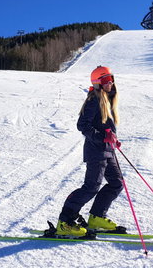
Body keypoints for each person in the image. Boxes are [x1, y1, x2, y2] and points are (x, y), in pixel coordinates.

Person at [56, 66, 123, 237]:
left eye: (111, 79)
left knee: (117, 183)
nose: (111, 83)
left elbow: (105, 127)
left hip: (108, 151)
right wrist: (102, 137)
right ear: (98, 83)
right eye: (106, 80)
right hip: (96, 151)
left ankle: (97, 217)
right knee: (91, 187)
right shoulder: (94, 99)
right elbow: (82, 125)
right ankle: (65, 222)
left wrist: (112, 138)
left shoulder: (108, 100)